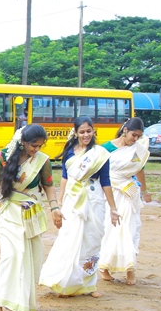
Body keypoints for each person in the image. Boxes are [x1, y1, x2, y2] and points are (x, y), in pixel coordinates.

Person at [0, 125, 60, 311]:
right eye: (32, 146)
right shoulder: (3, 157)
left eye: (39, 146)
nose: (36, 150)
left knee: (30, 258)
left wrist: (55, 208)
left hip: (30, 214)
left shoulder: (42, 161)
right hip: (8, 213)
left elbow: (49, 186)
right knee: (11, 256)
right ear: (23, 142)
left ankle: (19, 304)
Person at [39, 118, 120, 297]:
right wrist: (58, 203)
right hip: (73, 200)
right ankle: (64, 282)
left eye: (89, 131)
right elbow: (65, 178)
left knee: (91, 241)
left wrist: (113, 208)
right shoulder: (69, 152)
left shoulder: (100, 154)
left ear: (93, 132)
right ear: (76, 133)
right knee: (69, 240)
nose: (86, 135)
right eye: (82, 132)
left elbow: (106, 181)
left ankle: (89, 285)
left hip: (94, 200)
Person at [99, 117, 151, 286]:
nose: (135, 139)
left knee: (129, 230)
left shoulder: (137, 150)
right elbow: (95, 170)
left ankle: (130, 270)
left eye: (138, 136)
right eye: (133, 135)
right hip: (109, 193)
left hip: (128, 193)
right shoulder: (106, 148)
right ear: (125, 130)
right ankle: (104, 268)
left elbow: (139, 170)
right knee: (109, 230)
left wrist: (145, 190)